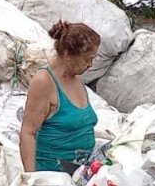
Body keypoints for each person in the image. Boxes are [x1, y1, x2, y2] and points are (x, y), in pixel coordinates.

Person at [19, 21, 101, 172]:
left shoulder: (75, 79)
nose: (90, 64)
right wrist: (31, 180)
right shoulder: (44, 82)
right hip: (54, 175)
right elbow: (27, 133)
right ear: (68, 54)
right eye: (87, 58)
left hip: (80, 173)